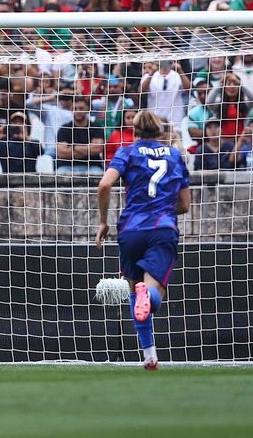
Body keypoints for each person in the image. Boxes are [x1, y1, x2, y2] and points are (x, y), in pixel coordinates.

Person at [95, 110, 191, 371]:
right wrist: (163, 206)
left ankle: (150, 356)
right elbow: (184, 204)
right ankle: (146, 295)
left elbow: (104, 185)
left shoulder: (126, 152)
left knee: (136, 294)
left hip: (130, 229)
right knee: (151, 293)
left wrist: (103, 222)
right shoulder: (174, 156)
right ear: (160, 131)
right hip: (162, 228)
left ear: (134, 131)